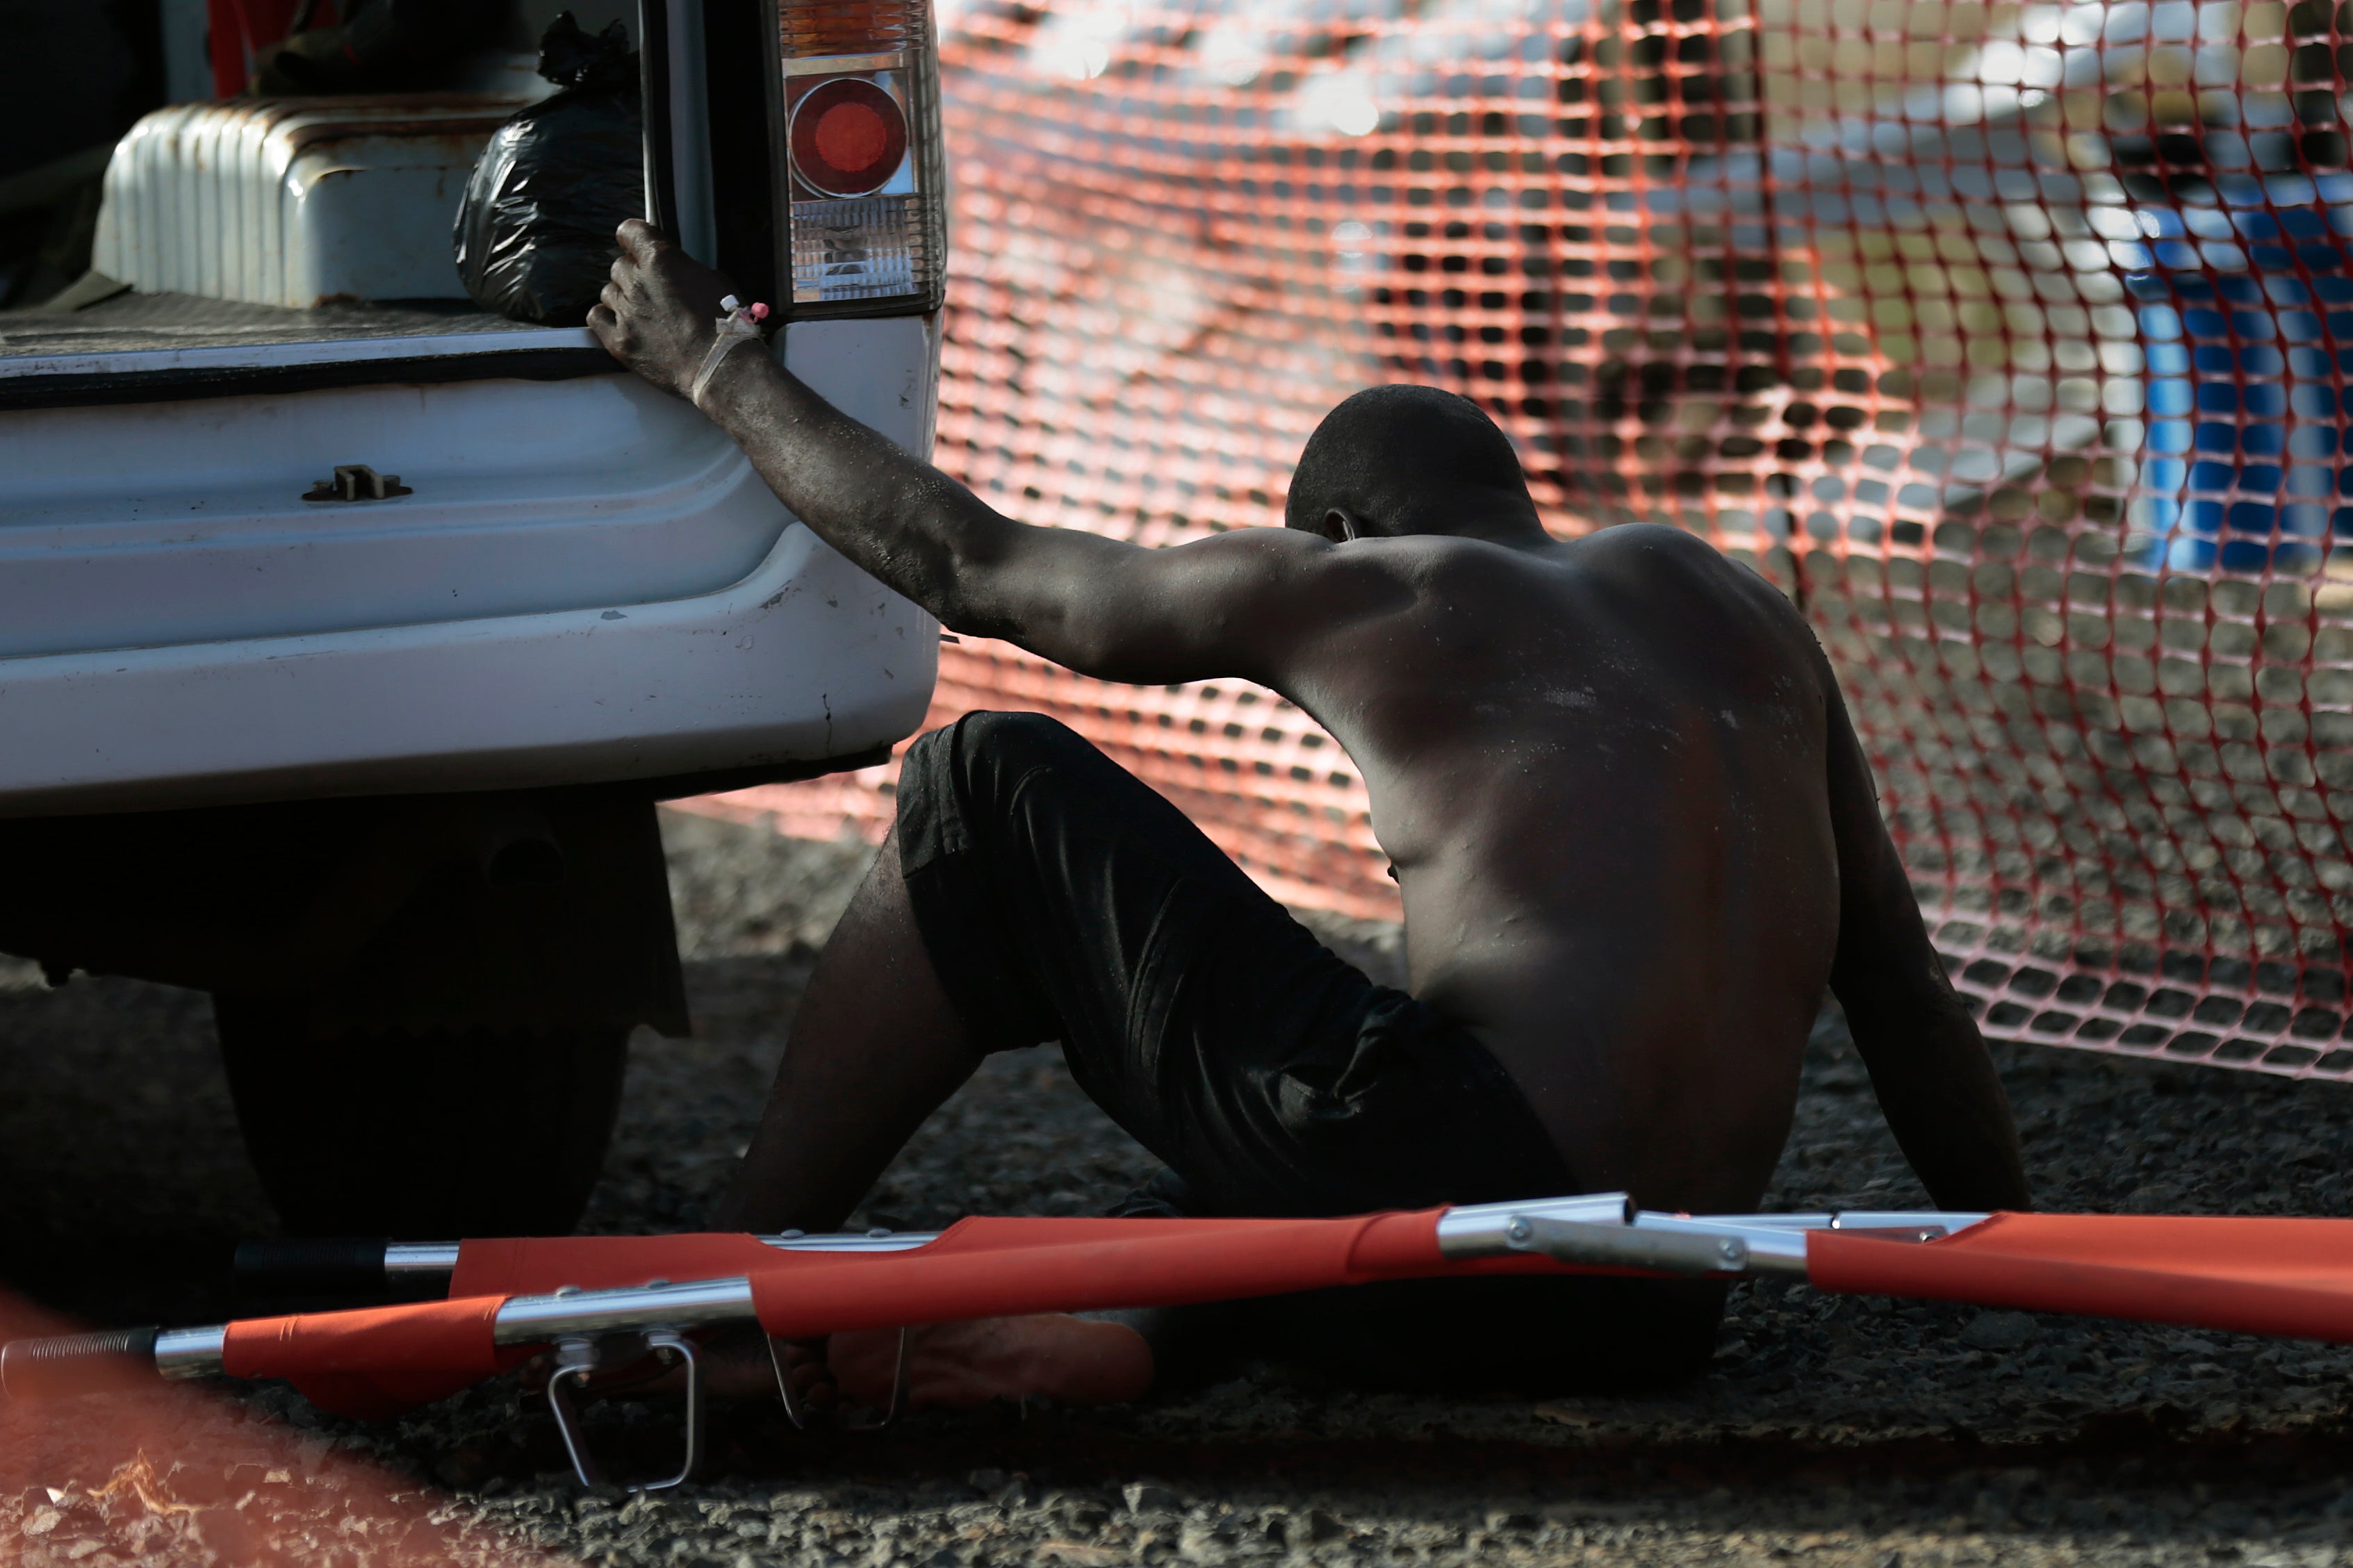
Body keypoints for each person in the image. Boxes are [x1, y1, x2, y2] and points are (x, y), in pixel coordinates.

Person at [587, 220, 2031, 1410]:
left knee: (990, 787)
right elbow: (1901, 992)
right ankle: (1129, 1334)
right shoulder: (1747, 616)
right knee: (1290, 1117)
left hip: (1469, 1199)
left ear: (1339, 531)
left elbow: (968, 565)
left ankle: (717, 1293)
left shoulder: (1382, 586)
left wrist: (711, 361)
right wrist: (2024, 1257)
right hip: (1660, 1310)